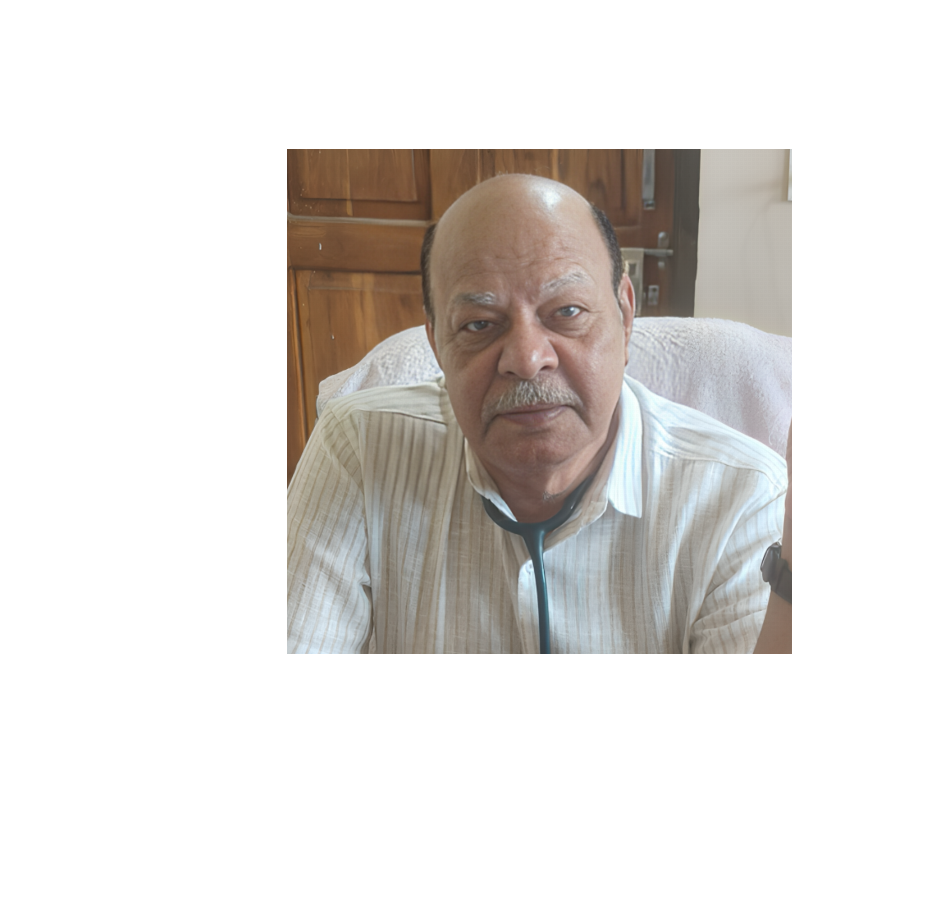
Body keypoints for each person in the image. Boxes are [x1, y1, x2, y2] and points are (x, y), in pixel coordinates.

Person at [287, 173, 791, 654]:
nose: (527, 360)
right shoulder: (357, 450)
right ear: (437, 345)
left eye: (567, 312)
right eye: (479, 324)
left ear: (625, 315)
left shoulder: (741, 495)